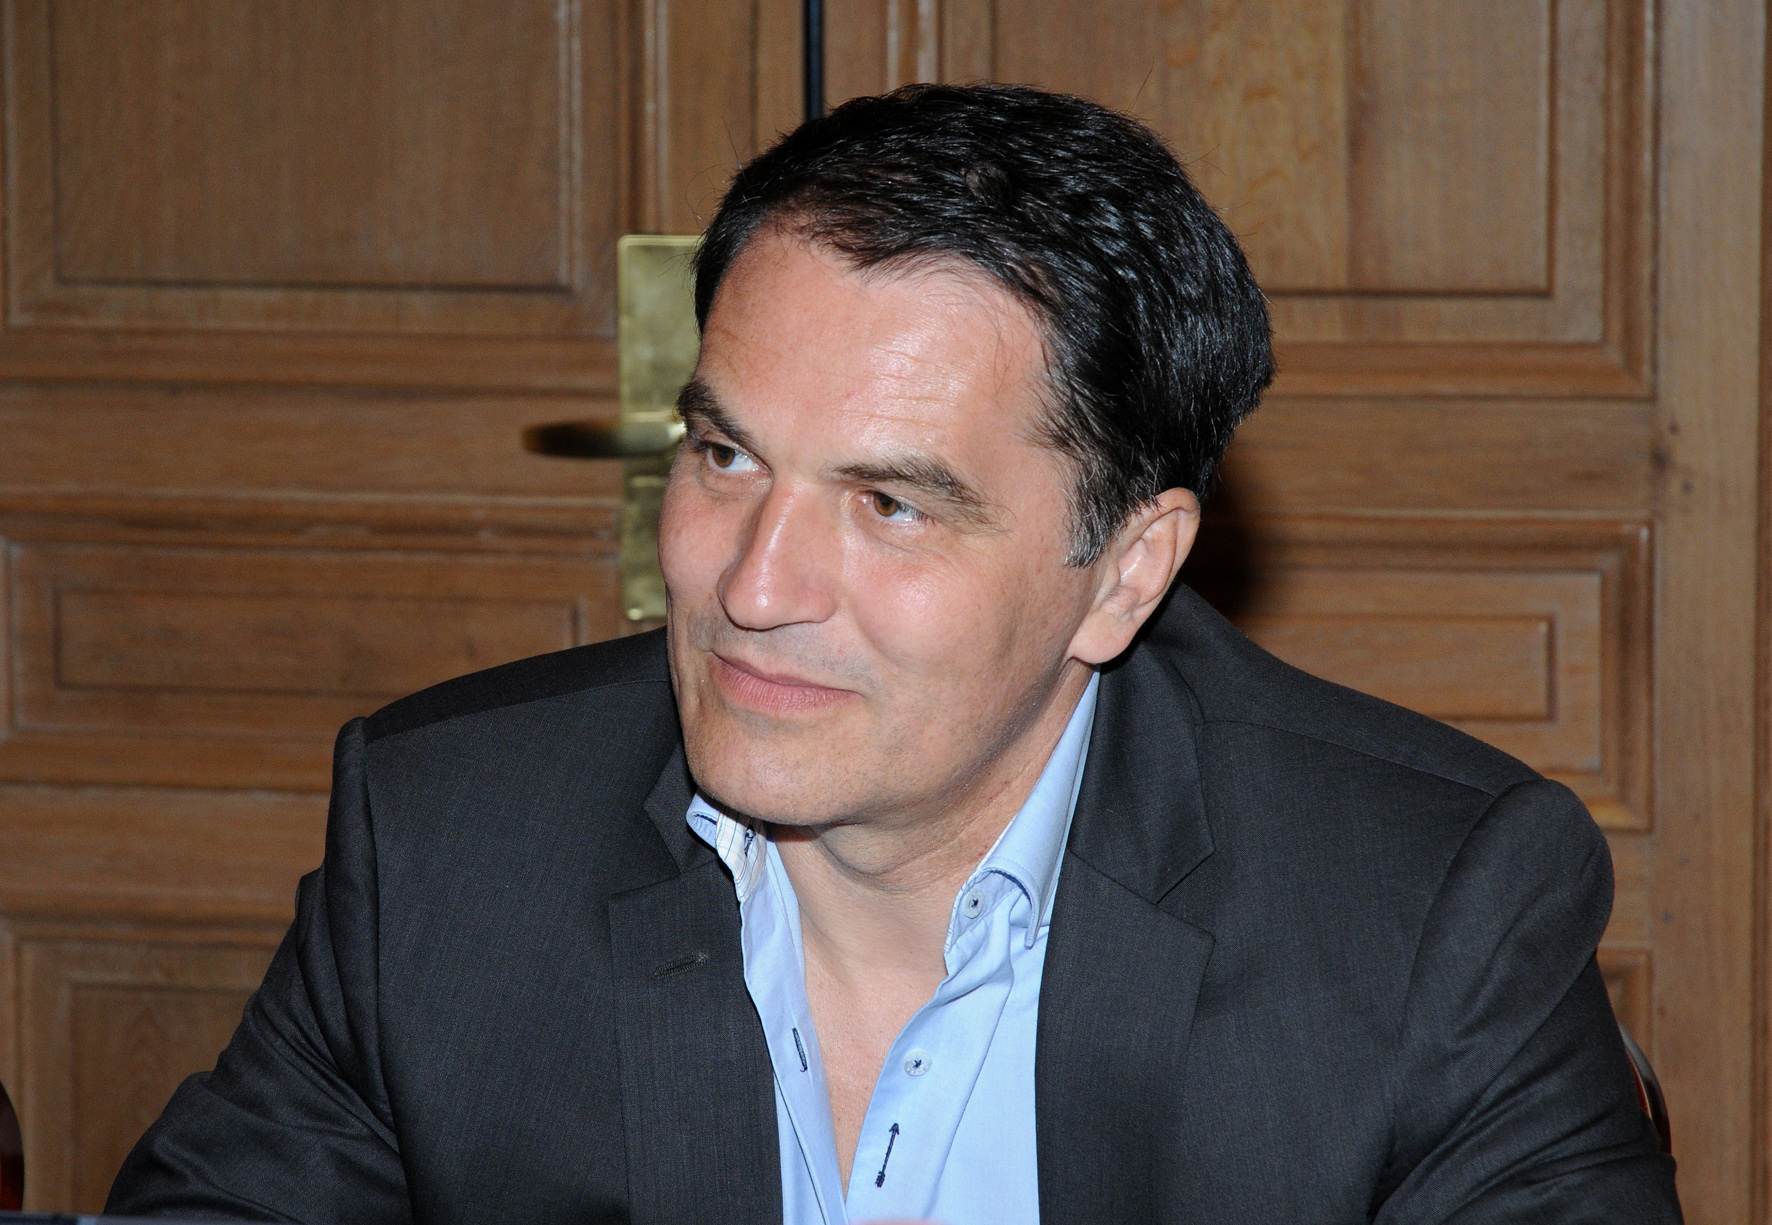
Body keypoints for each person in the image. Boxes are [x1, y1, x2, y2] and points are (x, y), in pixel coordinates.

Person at [109, 83, 1681, 1224]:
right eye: (725, 456)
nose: (752, 584)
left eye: (891, 504)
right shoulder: (449, 839)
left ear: (1124, 572)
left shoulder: (1425, 914)